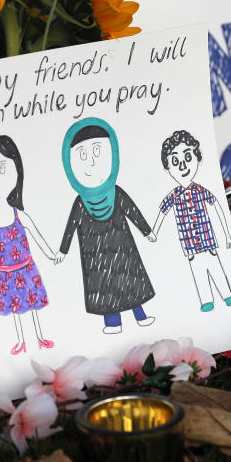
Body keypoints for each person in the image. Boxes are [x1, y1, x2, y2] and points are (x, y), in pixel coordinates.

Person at [57, 118, 156, 334]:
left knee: (130, 278)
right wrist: (63, 250)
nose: (91, 161)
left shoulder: (116, 193)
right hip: (95, 254)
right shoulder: (80, 202)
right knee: (104, 285)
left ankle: (140, 314)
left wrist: (146, 231)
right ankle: (112, 323)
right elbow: (71, 226)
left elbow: (132, 211)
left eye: (97, 151)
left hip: (122, 246)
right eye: (82, 155)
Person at [0, 136, 56, 355]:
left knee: (32, 306)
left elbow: (37, 236)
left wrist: (52, 255)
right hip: (5, 275)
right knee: (16, 310)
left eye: (2, 168)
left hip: (26, 269)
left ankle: (39, 336)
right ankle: (21, 340)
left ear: (17, 170)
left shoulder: (19, 214)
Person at [151, 130, 231, 312]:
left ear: (197, 158)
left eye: (187, 157)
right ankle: (206, 301)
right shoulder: (174, 195)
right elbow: (162, 211)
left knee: (216, 267)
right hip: (190, 246)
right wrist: (154, 233)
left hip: (208, 242)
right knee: (198, 273)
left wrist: (227, 235)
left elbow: (217, 207)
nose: (183, 165)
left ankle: (228, 295)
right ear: (168, 167)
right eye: (175, 161)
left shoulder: (201, 190)